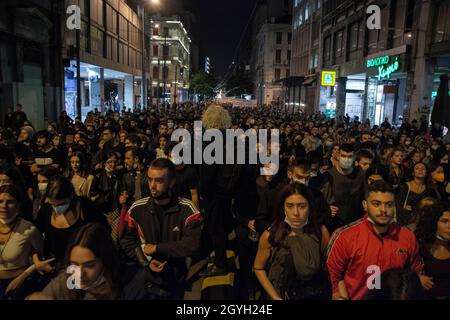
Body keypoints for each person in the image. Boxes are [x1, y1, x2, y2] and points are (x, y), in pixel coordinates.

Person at [326, 180, 424, 300]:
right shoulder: (344, 236)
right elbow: (333, 276)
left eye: (389, 204)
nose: (383, 210)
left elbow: (415, 272)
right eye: (376, 204)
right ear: (365, 205)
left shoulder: (407, 237)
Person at [120, 158, 202, 300]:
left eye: (159, 181)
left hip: (175, 279)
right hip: (145, 279)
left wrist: (157, 248)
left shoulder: (187, 209)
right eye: (150, 179)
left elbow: (192, 245)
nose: (152, 185)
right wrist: (146, 261)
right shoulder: (137, 209)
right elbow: (127, 240)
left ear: (171, 182)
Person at [253, 183, 331, 300]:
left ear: (310, 207)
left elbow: (329, 265)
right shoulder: (271, 236)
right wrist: (275, 297)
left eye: (301, 206)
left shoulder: (320, 232)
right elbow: (258, 268)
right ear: (283, 208)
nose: (295, 213)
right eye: (290, 206)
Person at [34, 175, 109, 270]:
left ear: (70, 196)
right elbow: (34, 237)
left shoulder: (86, 207)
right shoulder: (46, 210)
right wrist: (37, 262)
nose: (57, 209)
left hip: (82, 268)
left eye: (61, 204)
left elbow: (104, 233)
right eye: (53, 205)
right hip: (55, 268)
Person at [32, 223, 121, 300]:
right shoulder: (64, 282)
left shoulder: (129, 284)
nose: (80, 274)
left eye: (90, 266)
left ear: (106, 261)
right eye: (74, 264)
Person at [0, 185, 46, 300]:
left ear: (19, 206)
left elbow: (40, 259)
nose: (3, 206)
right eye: (0, 201)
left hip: (15, 285)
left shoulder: (29, 230)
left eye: (10, 202)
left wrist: (23, 276)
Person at [415, 205, 450, 299]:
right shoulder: (421, 246)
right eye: (444, 221)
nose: (449, 226)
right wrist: (417, 278)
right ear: (434, 222)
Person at [328, 143, 365, 225]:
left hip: (357, 221)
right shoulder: (329, 175)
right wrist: (327, 208)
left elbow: (366, 195)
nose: (346, 159)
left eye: (349, 156)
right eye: (343, 156)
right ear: (338, 155)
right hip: (336, 222)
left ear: (354, 157)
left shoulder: (360, 173)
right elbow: (324, 200)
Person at [396, 162, 432, 226]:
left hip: (423, 223)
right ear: (413, 173)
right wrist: (408, 224)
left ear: (426, 173)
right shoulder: (405, 187)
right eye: (417, 168)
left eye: (423, 169)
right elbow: (399, 207)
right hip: (406, 223)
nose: (420, 170)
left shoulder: (429, 188)